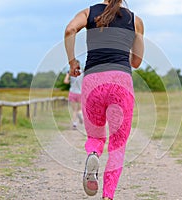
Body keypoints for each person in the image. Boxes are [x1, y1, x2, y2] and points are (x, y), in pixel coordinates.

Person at [64, 0, 144, 199]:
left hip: (93, 82)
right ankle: (108, 196)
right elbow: (136, 62)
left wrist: (72, 61)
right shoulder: (135, 20)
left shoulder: (88, 12)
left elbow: (69, 30)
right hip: (121, 82)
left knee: (96, 137)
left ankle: (93, 154)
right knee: (118, 144)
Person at [63, 63, 83, 129]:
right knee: (80, 109)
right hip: (80, 93)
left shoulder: (70, 72)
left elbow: (65, 81)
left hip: (72, 93)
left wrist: (69, 81)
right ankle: (80, 114)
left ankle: (74, 124)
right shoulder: (82, 72)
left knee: (74, 110)